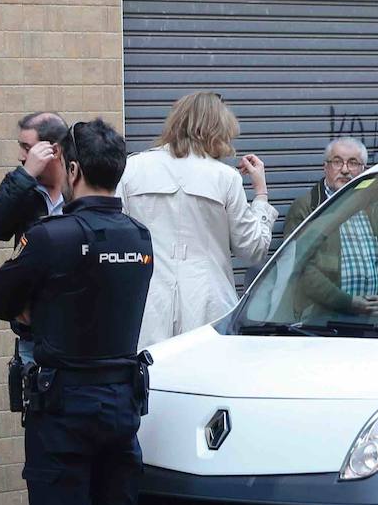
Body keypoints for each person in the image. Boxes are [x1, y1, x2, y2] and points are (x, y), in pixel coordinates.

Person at [0, 119, 153, 505]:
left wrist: (38, 305)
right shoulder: (138, 237)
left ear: (73, 170)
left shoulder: (52, 238)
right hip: (121, 407)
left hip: (64, 409)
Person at [116, 92, 276, 349]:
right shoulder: (225, 177)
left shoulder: (132, 168)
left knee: (149, 372)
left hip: (147, 305)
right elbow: (252, 249)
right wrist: (261, 194)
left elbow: (118, 238)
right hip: (209, 306)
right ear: (218, 129)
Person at [0, 110, 68, 505]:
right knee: (38, 434)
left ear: (54, 148)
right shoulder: (24, 188)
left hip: (75, 332)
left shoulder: (80, 187)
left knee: (72, 432)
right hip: (33, 337)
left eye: (27, 146)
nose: (21, 154)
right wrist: (24, 175)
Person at [285, 138, 378, 317]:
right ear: (325, 167)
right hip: (322, 321)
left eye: (353, 163)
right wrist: (347, 303)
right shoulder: (309, 207)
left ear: (363, 170)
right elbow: (300, 268)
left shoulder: (372, 206)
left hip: (371, 319)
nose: (344, 169)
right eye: (337, 162)